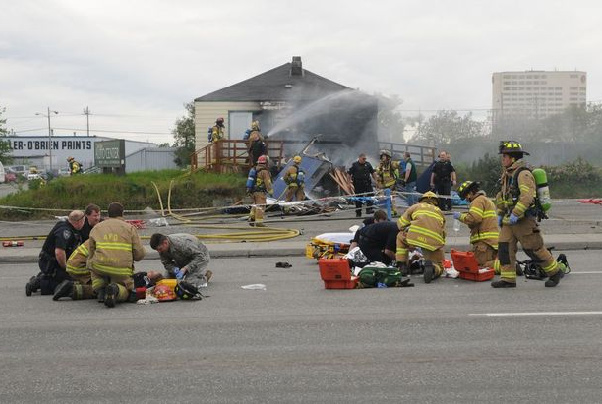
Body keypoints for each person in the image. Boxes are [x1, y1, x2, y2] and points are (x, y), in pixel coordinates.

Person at [491, 141, 567, 288]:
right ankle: (508, 279)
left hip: (523, 220)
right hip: (509, 220)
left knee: (533, 248)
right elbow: (503, 195)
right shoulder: (507, 174)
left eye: (505, 156)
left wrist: (516, 213)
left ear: (512, 158)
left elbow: (527, 197)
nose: (502, 159)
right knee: (504, 248)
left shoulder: (523, 173)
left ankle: (555, 272)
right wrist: (500, 212)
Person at [87, 202, 146, 307]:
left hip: (100, 266)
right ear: (122, 213)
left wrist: (92, 263)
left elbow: (91, 251)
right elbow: (139, 255)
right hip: (121, 269)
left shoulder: (96, 228)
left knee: (92, 265)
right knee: (127, 289)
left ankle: (100, 290)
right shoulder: (130, 228)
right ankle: (116, 290)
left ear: (108, 214)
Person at [25, 210, 86, 296]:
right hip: (50, 263)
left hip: (54, 263)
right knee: (69, 283)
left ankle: (42, 277)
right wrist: (67, 268)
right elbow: (59, 253)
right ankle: (37, 284)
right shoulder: (65, 231)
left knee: (71, 278)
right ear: (79, 221)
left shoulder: (70, 227)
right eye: (84, 220)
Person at [395, 191, 446, 283]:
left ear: (422, 200)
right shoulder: (440, 212)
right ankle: (434, 269)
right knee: (440, 265)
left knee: (400, 236)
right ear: (436, 202)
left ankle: (402, 265)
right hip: (434, 241)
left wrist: (408, 229)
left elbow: (400, 224)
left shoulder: (415, 207)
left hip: (415, 237)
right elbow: (443, 234)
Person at [454, 181, 499, 269]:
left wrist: (461, 216)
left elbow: (474, 219)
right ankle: (506, 265)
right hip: (491, 242)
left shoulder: (477, 201)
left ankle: (508, 266)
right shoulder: (486, 200)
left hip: (484, 242)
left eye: (466, 196)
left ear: (471, 193)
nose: (466, 200)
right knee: (486, 263)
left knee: (478, 265)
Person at [347, 153, 378, 218]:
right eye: (363, 159)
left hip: (367, 183)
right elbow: (349, 174)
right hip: (358, 184)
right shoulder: (354, 165)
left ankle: (369, 209)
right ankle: (358, 213)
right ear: (359, 158)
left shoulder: (368, 164)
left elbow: (373, 172)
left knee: (371, 195)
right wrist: (348, 183)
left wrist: (376, 181)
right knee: (358, 198)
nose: (364, 160)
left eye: (365, 159)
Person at [247, 155, 273, 227]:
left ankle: (251, 218)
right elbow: (268, 182)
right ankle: (259, 222)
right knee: (261, 206)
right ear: (266, 162)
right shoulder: (264, 171)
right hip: (260, 192)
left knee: (255, 204)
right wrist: (270, 192)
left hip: (253, 191)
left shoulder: (254, 169)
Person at [375, 150, 399, 215]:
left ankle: (394, 211)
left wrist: (400, 163)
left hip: (392, 184)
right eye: (382, 156)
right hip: (384, 185)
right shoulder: (381, 165)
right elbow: (378, 173)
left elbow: (396, 164)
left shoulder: (391, 164)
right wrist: (379, 168)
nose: (383, 157)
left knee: (392, 198)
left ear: (388, 157)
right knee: (384, 198)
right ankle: (388, 211)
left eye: (384, 156)